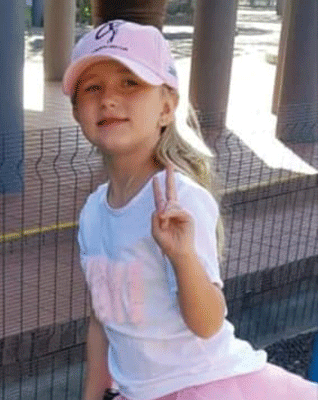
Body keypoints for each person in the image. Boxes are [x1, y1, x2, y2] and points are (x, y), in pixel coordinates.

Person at [62, 19, 318, 400]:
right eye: (92, 88)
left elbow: (208, 323)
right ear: (76, 112)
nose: (108, 98)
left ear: (167, 108)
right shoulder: (92, 214)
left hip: (206, 385)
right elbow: (102, 317)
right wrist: (92, 392)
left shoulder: (180, 200)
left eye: (130, 82)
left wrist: (182, 256)